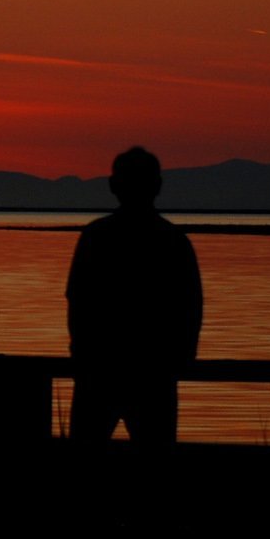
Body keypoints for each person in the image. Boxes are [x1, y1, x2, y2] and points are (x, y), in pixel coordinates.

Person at [66, 147, 203, 444]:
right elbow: (190, 308)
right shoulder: (174, 241)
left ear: (114, 186)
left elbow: (78, 302)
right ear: (158, 186)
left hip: (101, 371)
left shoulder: (96, 237)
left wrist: (81, 353)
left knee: (82, 460)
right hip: (153, 373)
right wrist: (183, 355)